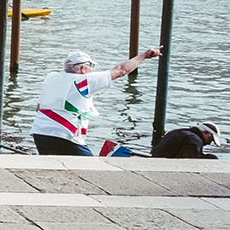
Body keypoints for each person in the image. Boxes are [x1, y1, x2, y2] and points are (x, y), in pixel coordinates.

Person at [31, 46, 162, 155]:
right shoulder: (83, 80)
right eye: (91, 66)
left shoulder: (51, 78)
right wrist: (144, 55)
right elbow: (121, 70)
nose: (92, 70)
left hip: (40, 133)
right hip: (65, 136)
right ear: (83, 69)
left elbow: (39, 106)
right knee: (90, 169)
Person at [153, 122, 220, 159]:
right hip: (167, 164)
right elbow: (187, 161)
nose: (209, 143)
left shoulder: (177, 131)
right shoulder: (194, 141)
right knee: (212, 158)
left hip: (158, 159)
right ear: (205, 133)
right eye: (211, 139)